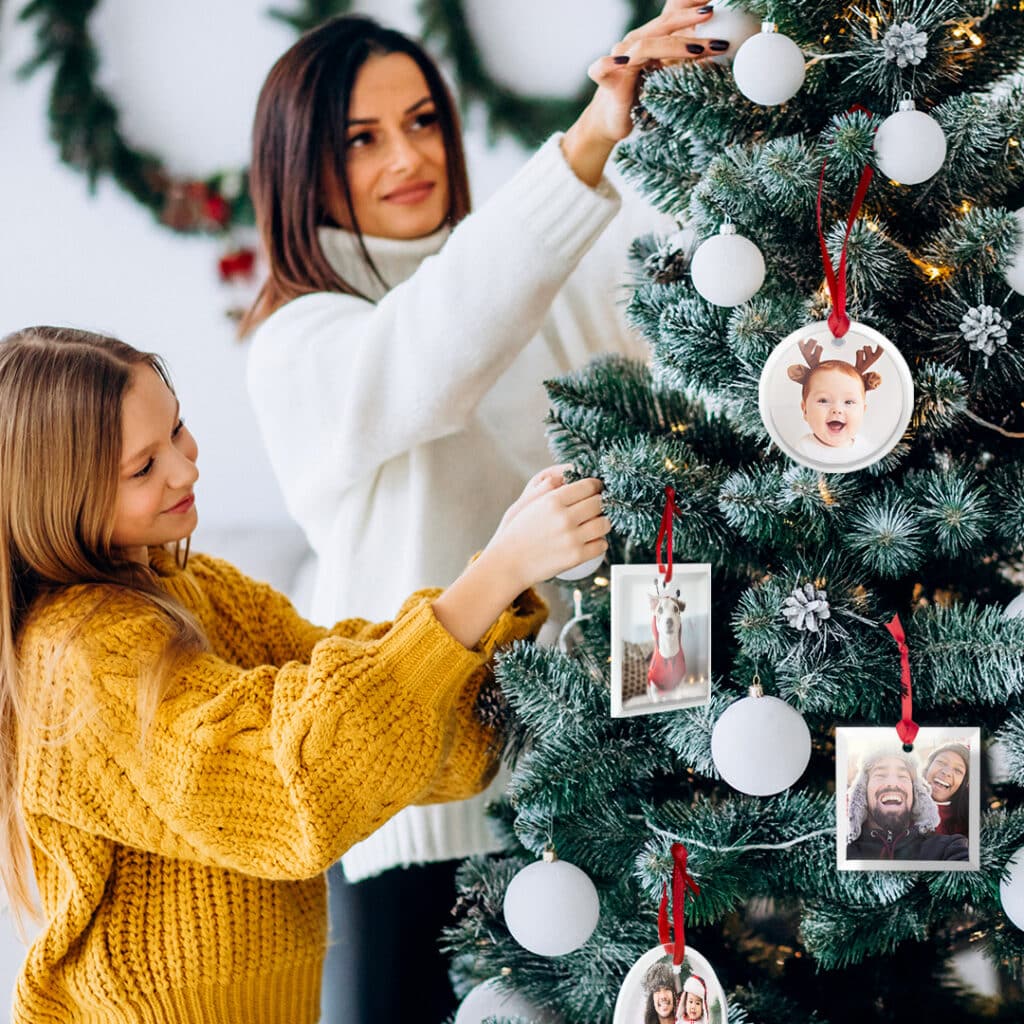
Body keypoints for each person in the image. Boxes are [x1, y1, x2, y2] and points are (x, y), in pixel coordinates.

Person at [241, 4, 718, 1018]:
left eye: (421, 121)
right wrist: (587, 138)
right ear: (298, 166)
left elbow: (668, 321)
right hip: (421, 813)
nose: (408, 157)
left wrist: (698, 92)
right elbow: (436, 351)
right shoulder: (303, 339)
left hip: (588, 780)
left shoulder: (527, 267)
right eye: (360, 140)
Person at [0, 326, 610, 1023]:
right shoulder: (78, 656)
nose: (185, 468)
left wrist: (496, 589)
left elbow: (368, 707)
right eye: (143, 467)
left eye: (178, 429)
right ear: (59, 496)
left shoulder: (204, 587)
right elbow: (297, 791)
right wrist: (496, 572)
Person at [845, 747, 969, 862]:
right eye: (880, 775)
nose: (892, 783)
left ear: (915, 793)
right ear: (862, 792)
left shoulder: (945, 847)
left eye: (902, 776)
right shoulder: (839, 849)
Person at [787, 342, 883, 462]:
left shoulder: (865, 449)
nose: (837, 409)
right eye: (823, 400)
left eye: (848, 402)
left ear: (863, 411)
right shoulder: (804, 449)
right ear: (805, 410)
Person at [923, 742, 971, 837]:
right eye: (941, 762)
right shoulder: (903, 803)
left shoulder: (965, 824)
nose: (946, 772)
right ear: (928, 767)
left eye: (958, 770)